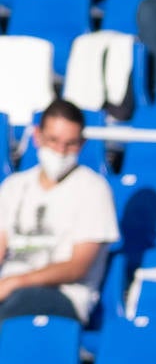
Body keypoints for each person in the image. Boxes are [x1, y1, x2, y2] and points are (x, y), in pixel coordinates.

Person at [0, 99, 119, 325]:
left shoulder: (93, 189)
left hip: (64, 297)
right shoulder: (14, 186)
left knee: (16, 306)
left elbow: (77, 267)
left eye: (70, 144)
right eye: (53, 141)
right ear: (37, 136)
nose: (60, 151)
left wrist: (16, 282)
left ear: (82, 143)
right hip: (9, 289)